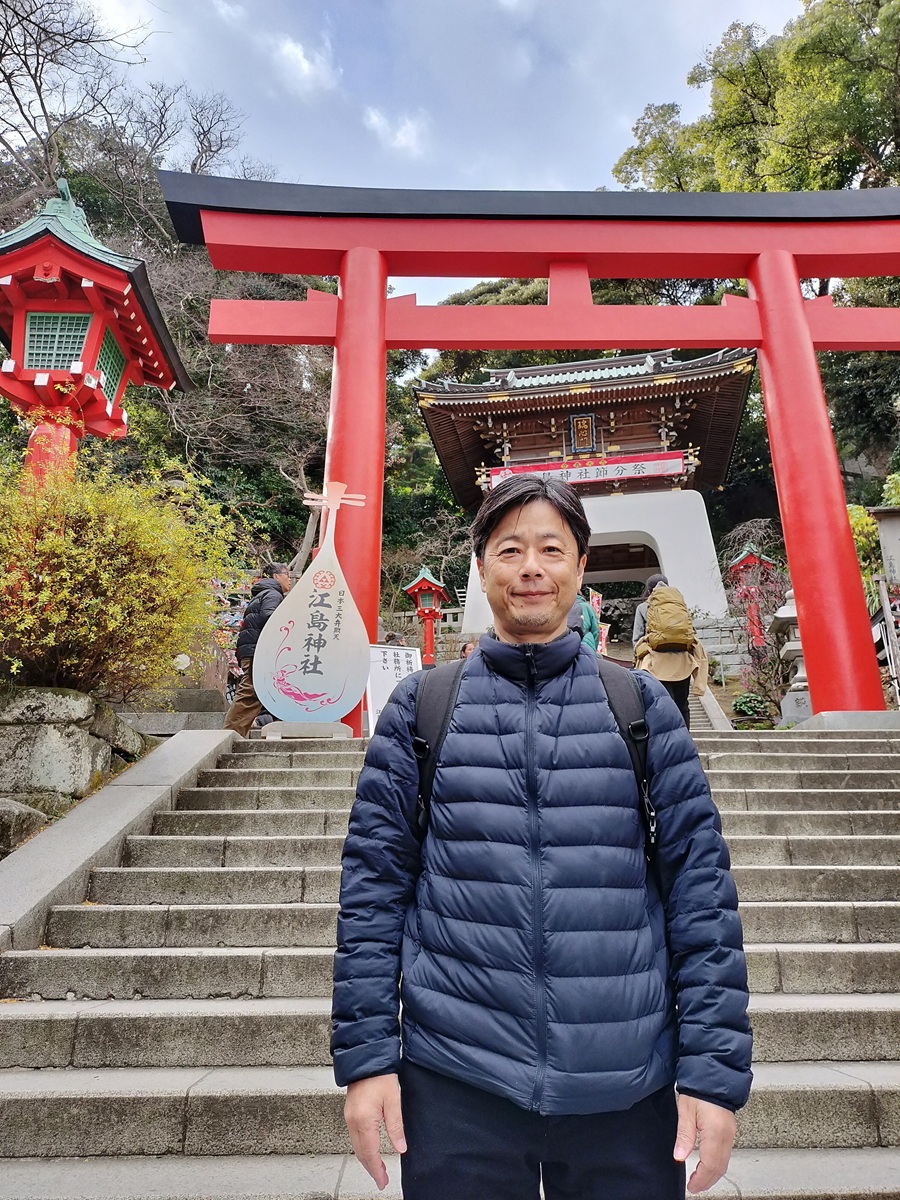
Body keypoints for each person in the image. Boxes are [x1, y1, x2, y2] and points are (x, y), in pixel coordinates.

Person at [331, 475, 751, 1200]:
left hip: (627, 1081)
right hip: (457, 1079)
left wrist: (712, 1075)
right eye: (510, 549)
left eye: (552, 549)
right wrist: (368, 1062)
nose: (531, 567)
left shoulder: (640, 705)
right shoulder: (423, 707)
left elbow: (701, 894)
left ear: (581, 569)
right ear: (481, 567)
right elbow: (373, 892)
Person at [222, 562, 292, 737]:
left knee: (253, 693)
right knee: (250, 693)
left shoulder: (263, 593)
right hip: (259, 652)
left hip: (252, 650)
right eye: (287, 575)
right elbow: (270, 617)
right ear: (276, 576)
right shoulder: (273, 594)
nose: (290, 579)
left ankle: (233, 735)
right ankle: (229, 735)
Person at [632, 574, 709, 729]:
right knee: (682, 704)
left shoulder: (644, 607)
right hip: (683, 663)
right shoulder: (679, 604)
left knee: (664, 703)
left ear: (649, 590)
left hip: (656, 664)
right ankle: (686, 736)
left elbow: (637, 637)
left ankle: (670, 737)